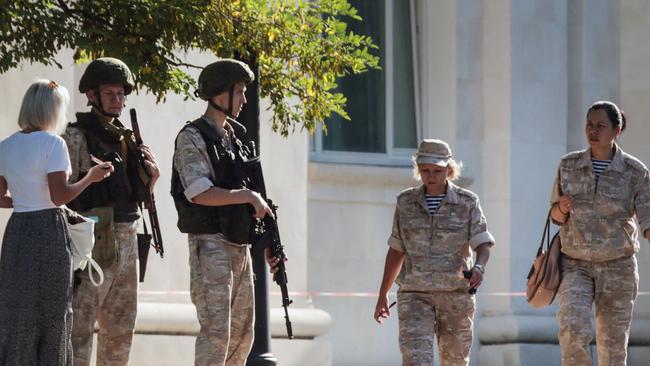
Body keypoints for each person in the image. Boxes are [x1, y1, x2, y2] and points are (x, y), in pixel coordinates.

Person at [171, 59, 280, 366]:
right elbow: (198, 192)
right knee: (217, 335)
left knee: (243, 335)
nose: (245, 99)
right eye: (240, 91)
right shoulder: (192, 137)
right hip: (211, 245)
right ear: (221, 94)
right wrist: (246, 195)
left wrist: (270, 242)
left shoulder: (234, 138)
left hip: (239, 246)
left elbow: (253, 200)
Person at [0, 80, 113, 365]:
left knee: (18, 312)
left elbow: (1, 197)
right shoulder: (53, 144)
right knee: (53, 312)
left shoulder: (6, 145)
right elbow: (59, 196)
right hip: (48, 232)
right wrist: (90, 177)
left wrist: (24, 201)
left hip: (17, 232)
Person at [63, 57, 160, 366]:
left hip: (128, 234)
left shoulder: (126, 138)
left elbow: (137, 196)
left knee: (120, 327)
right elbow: (62, 192)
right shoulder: (76, 137)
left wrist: (152, 176)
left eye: (121, 94)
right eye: (110, 94)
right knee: (80, 327)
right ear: (91, 95)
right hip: (92, 238)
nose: (117, 101)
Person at [374, 139, 495, 366]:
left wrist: (479, 267)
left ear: (449, 170)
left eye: (437, 171)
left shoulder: (467, 202)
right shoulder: (406, 202)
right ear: (418, 169)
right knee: (416, 360)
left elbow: (483, 243)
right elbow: (396, 250)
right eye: (425, 170)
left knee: (455, 362)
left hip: (455, 296)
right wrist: (383, 294)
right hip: (415, 295)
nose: (431, 176)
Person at [550, 101, 650, 366]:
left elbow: (648, 221)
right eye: (589, 125)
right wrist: (560, 208)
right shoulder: (568, 165)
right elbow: (555, 217)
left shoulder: (635, 172)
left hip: (618, 268)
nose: (592, 131)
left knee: (613, 350)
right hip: (575, 265)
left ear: (617, 130)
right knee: (572, 329)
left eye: (600, 126)